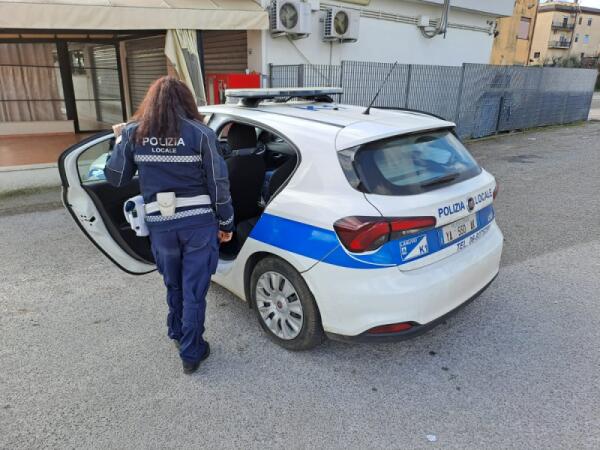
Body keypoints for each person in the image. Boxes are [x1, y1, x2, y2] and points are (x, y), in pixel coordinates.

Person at [104, 76, 234, 374]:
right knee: (194, 289)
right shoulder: (201, 134)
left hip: (161, 227)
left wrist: (119, 140)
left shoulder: (134, 133)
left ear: (150, 102)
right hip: (199, 226)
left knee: (173, 283)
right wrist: (226, 221)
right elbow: (219, 183)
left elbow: (116, 178)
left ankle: (177, 333)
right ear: (186, 101)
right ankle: (191, 352)